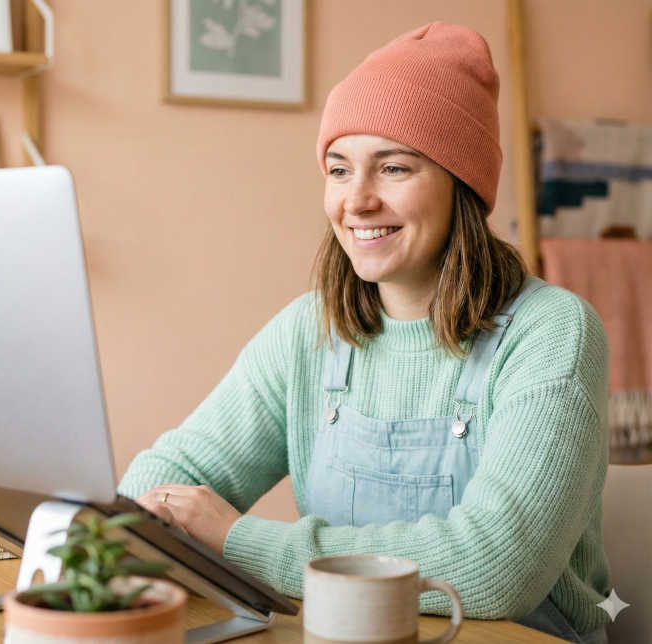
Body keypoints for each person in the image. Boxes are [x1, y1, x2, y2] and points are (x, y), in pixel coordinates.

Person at [119, 21, 610, 644]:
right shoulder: (310, 329)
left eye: (394, 168)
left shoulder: (552, 333)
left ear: (463, 185)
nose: (357, 201)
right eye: (339, 169)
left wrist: (235, 541)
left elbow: (495, 569)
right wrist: (119, 528)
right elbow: (174, 472)